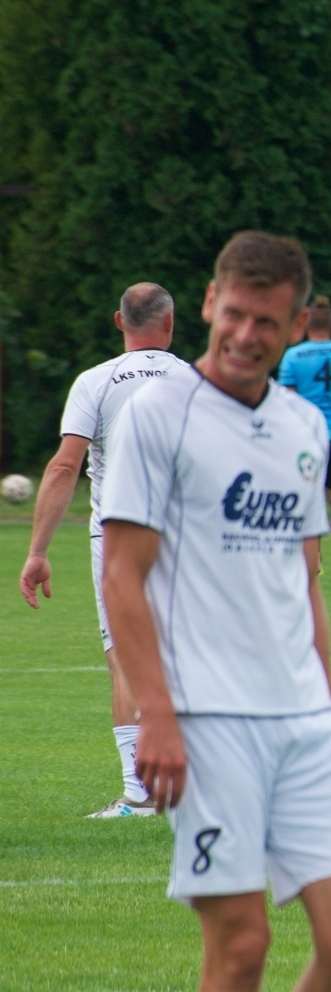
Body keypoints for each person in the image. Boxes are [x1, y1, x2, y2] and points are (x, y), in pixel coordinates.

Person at [99, 231, 331, 990]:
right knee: (241, 946)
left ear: (296, 326)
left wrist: (328, 704)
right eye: (235, 314)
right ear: (208, 304)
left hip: (303, 717)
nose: (246, 334)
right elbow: (121, 575)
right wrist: (157, 715)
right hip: (206, 717)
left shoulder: (301, 424)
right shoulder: (158, 414)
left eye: (267, 321)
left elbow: (304, 578)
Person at [18, 282, 187, 818]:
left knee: (125, 658)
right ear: (170, 322)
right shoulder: (198, 381)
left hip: (119, 538)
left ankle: (141, 794)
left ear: (119, 321)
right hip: (189, 536)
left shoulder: (96, 381)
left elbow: (64, 467)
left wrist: (38, 551)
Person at [278, 296, 331, 575]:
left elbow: (286, 400)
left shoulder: (294, 355)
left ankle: (316, 556)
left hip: (306, 436)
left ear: (304, 324)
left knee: (308, 495)